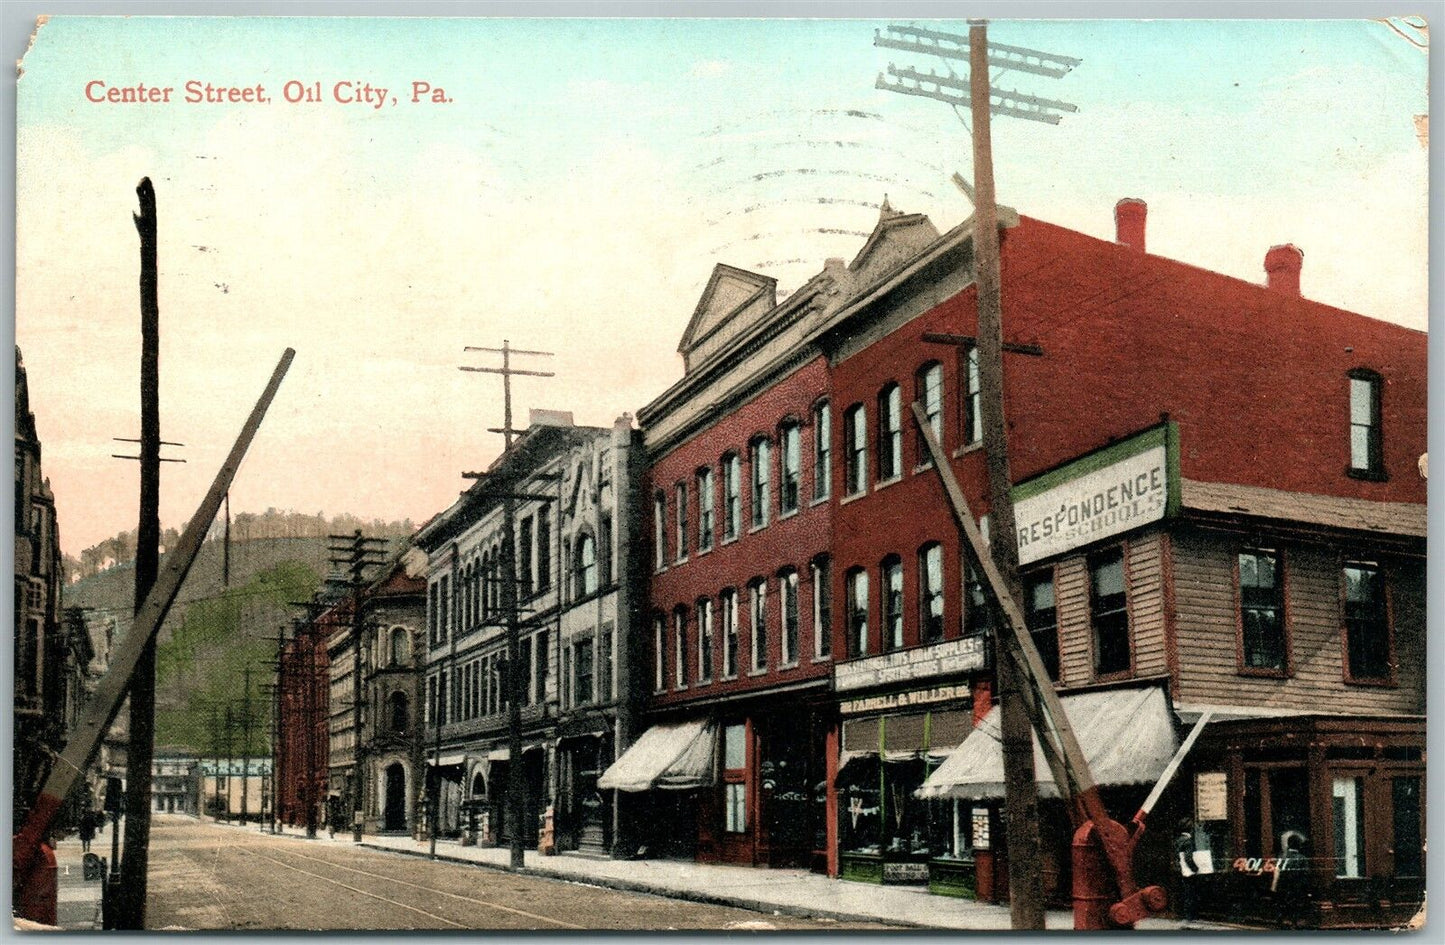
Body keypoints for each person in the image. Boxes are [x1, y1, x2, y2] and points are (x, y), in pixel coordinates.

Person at [1174, 818, 1199, 922]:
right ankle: (1190, 916)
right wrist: (1195, 868)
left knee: (1184, 893)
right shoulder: (1188, 841)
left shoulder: (1177, 840)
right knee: (1190, 893)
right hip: (1188, 872)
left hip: (1180, 870)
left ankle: (1182, 914)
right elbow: (1188, 858)